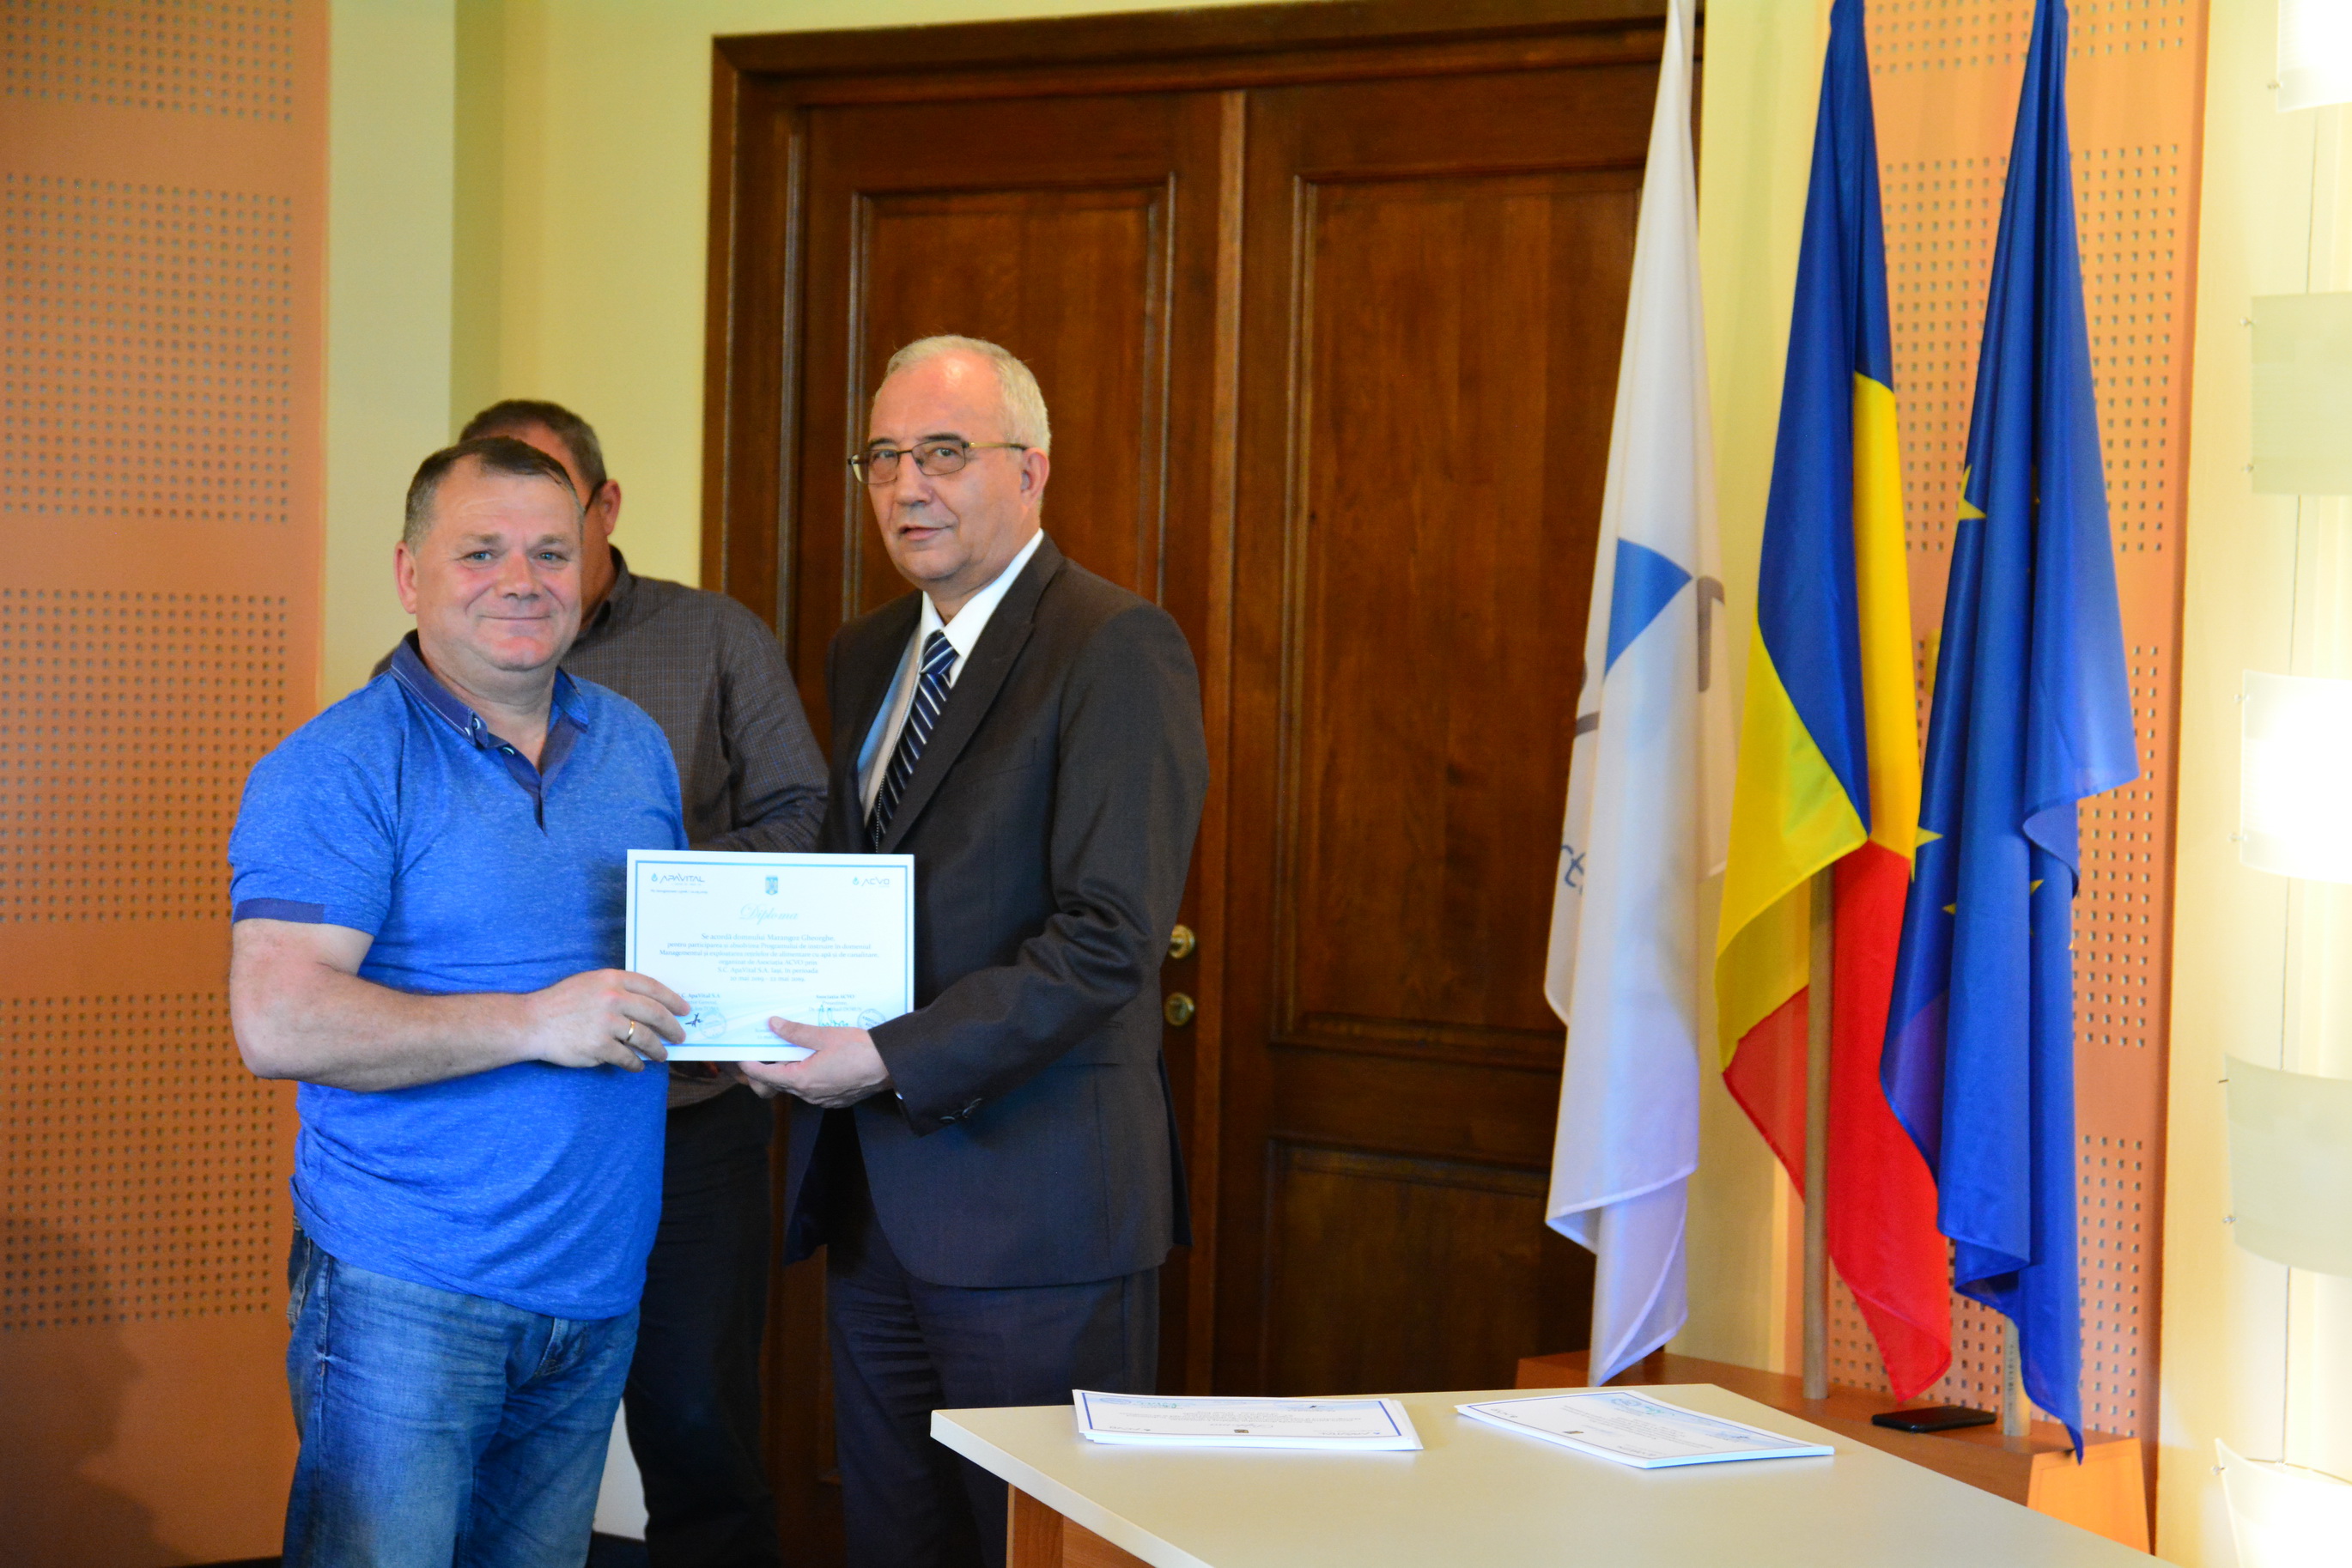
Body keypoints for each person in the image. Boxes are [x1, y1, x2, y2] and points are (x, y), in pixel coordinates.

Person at [741, 336, 1209, 1568]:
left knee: (1037, 1549)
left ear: (1032, 468)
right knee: (899, 1541)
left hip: (1039, 1219)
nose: (909, 487)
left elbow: (1107, 938)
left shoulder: (1115, 643)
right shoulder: (867, 652)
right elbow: (859, 894)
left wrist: (885, 1056)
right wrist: (758, 1012)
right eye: (884, 457)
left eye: (945, 453)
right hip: (874, 1205)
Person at [227, 435, 692, 1567]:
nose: (520, 580)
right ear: (409, 574)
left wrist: (762, 1030)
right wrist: (534, 1021)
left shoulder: (635, 746)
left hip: (593, 1287)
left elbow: (657, 979)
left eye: (551, 552)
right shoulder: (338, 766)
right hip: (406, 1291)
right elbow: (278, 1020)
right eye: (480, 552)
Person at [445, 398, 825, 1568]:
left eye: (550, 522)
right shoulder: (439, 667)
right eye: (488, 535)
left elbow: (802, 815)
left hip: (684, 1117)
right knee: (493, 1445)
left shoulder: (714, 637)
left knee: (699, 1424)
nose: (521, 567)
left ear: (603, 508)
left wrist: (664, 897)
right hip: (507, 1130)